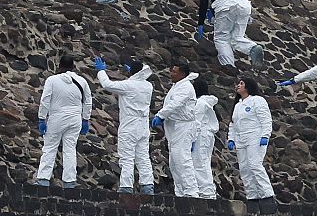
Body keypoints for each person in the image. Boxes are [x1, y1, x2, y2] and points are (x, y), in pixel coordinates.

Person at [94, 58, 155, 195]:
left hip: (129, 126)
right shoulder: (148, 86)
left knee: (126, 158)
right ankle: (147, 186)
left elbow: (107, 84)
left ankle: (126, 187)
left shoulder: (128, 85)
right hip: (143, 126)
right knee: (143, 158)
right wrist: (134, 73)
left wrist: (101, 71)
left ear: (132, 73)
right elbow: (142, 75)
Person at [190, 0, 265, 69]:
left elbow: (204, 1)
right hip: (243, 3)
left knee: (221, 38)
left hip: (226, 5)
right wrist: (213, 9)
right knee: (236, 37)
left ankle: (229, 67)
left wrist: (200, 23)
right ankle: (253, 48)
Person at [36, 55, 93, 188]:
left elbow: (45, 100)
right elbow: (88, 102)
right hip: (75, 119)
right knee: (70, 150)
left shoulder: (52, 80)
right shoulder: (82, 81)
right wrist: (85, 119)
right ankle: (69, 181)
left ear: (59, 66)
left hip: (56, 118)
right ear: (73, 67)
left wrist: (41, 118)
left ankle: (43, 179)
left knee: (49, 148)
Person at [151, 64, 200, 198]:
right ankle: (181, 192)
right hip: (174, 127)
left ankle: (192, 192)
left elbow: (176, 103)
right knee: (174, 162)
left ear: (183, 74)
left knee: (182, 159)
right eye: (171, 70)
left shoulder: (186, 87)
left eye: (174, 72)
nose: (171, 73)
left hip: (183, 127)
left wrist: (161, 115)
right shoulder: (177, 86)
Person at [228, 77, 275, 209]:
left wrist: (265, 135)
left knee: (255, 165)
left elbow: (266, 120)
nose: (238, 86)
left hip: (255, 137)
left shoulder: (257, 101)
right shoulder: (237, 105)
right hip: (241, 139)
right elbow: (233, 124)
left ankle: (267, 195)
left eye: (241, 83)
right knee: (244, 168)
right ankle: (252, 196)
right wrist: (231, 138)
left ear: (248, 86)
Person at [191, 79, 219, 199]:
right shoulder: (205, 102)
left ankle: (207, 192)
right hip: (206, 135)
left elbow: (196, 122)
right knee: (203, 162)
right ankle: (206, 190)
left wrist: (192, 138)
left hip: (200, 135)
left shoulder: (200, 103)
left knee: (199, 162)